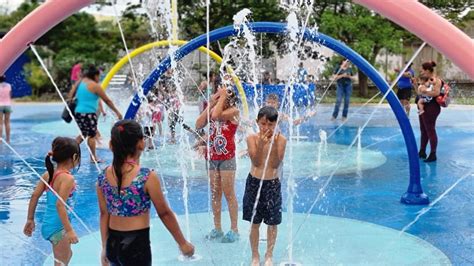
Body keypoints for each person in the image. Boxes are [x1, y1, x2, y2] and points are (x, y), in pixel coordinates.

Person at [97, 120, 194, 265]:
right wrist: (182, 243)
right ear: (141, 143)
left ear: (111, 145)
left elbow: (104, 214)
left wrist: (104, 248)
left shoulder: (102, 177)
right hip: (136, 246)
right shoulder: (146, 177)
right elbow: (165, 213)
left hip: (113, 243)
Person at [23, 137, 81, 266]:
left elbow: (34, 196)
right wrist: (69, 230)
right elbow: (60, 205)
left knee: (67, 256)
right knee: (61, 262)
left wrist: (30, 219)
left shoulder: (48, 174)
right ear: (75, 156)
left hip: (48, 225)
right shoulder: (67, 178)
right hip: (58, 228)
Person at [195, 81, 240, 243]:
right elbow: (199, 124)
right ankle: (218, 228)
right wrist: (212, 103)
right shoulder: (215, 108)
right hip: (212, 157)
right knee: (215, 193)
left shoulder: (234, 111)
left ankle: (234, 229)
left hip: (227, 157)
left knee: (229, 193)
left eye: (223, 95)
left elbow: (215, 116)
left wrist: (220, 97)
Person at [243, 106, 287, 266]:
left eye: (270, 125)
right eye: (263, 124)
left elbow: (275, 164)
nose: (266, 128)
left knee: (272, 222)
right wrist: (261, 144)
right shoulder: (252, 138)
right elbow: (256, 161)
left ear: (276, 124)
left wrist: (274, 145)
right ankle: (255, 255)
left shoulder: (281, 140)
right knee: (254, 222)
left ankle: (269, 255)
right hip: (254, 182)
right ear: (257, 122)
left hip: (272, 184)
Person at [68, 65, 123, 163]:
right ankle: (93, 157)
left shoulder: (79, 83)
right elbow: (107, 100)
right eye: (98, 76)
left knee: (83, 134)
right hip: (89, 113)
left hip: (78, 112)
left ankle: (67, 152)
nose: (99, 78)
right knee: (91, 135)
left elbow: (70, 96)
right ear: (94, 75)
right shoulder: (95, 86)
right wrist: (117, 112)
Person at [417, 61, 442, 162]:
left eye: (422, 70)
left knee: (430, 130)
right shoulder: (425, 80)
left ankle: (433, 154)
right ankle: (422, 151)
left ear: (427, 70)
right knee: (423, 129)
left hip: (432, 108)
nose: (421, 72)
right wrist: (420, 89)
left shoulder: (436, 80)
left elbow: (436, 93)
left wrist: (424, 91)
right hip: (423, 106)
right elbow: (419, 91)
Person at [0, 75, 12, 143]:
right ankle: (8, 140)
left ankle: (0, 139)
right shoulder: (9, 85)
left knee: (0, 123)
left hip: (0, 105)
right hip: (8, 105)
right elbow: (10, 95)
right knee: (7, 123)